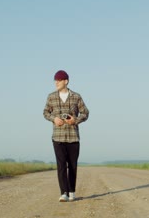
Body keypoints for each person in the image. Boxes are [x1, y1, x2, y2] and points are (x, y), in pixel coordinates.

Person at [43, 70, 89, 202]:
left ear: (66, 81)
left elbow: (85, 113)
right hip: (58, 137)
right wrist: (54, 119)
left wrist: (75, 120)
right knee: (61, 165)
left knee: (72, 166)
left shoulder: (76, 97)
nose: (56, 82)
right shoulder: (51, 97)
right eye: (55, 80)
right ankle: (63, 193)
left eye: (59, 80)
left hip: (73, 137)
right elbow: (45, 112)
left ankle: (72, 191)